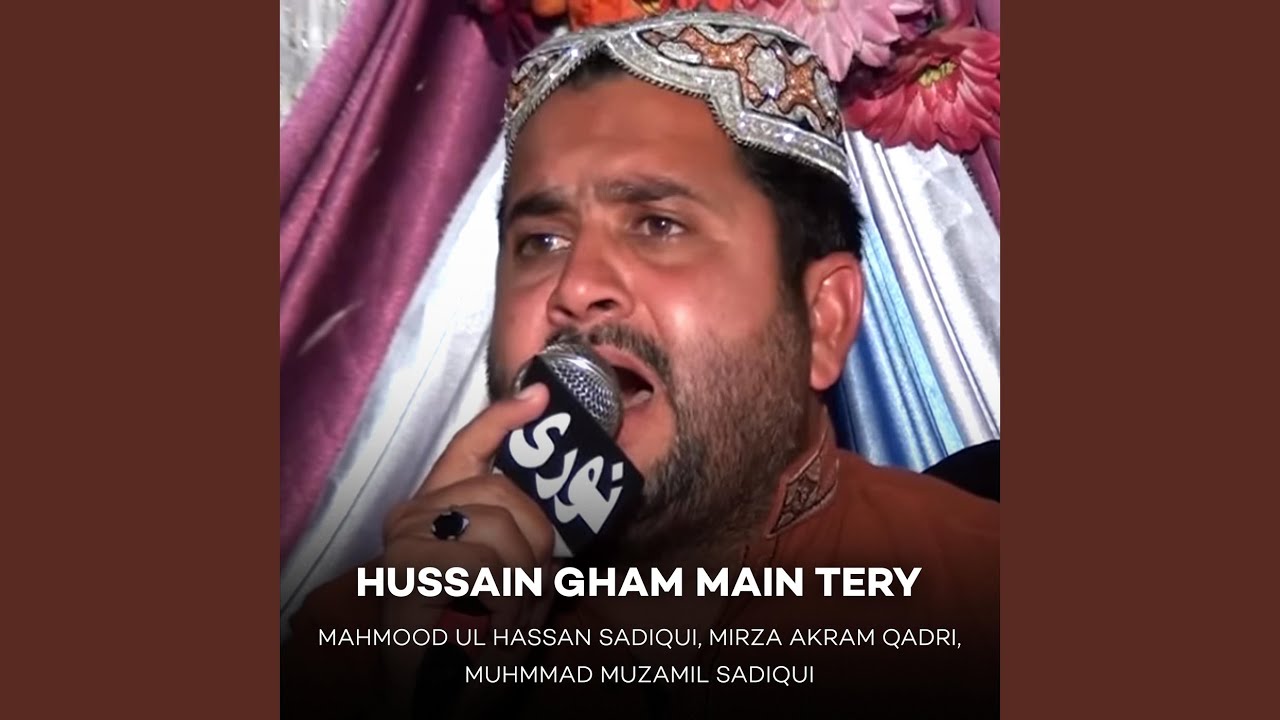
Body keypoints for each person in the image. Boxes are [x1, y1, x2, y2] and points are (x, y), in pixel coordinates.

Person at [282, 10, 998, 719]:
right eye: (541, 241)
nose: (574, 287)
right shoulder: (365, 649)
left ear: (822, 320)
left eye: (658, 225)